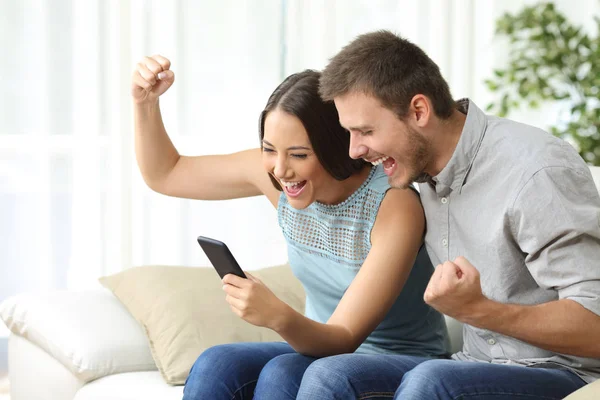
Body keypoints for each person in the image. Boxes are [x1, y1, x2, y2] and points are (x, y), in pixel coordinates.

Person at [289, 29, 600, 399]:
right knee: (333, 374)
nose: (355, 150)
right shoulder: (423, 172)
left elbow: (595, 325)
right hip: (473, 364)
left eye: (366, 131)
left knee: (432, 382)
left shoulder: (535, 171)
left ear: (419, 111)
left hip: (562, 372)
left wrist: (480, 310)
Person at [131, 55, 450, 399]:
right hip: (318, 349)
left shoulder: (394, 204)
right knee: (216, 363)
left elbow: (344, 336)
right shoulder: (279, 178)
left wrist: (277, 316)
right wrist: (144, 103)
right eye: (269, 149)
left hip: (398, 361)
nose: (280, 169)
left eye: (299, 155)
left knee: (284, 371)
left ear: (335, 148)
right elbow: (166, 173)